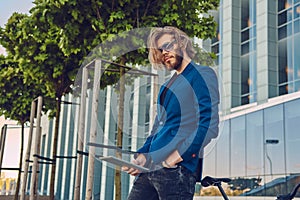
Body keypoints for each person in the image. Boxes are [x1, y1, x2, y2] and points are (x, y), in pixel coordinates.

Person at [122, 26, 220, 200]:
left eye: (167, 46)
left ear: (181, 42)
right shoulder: (166, 87)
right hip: (149, 169)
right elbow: (156, 129)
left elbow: (208, 124)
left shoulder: (202, 74)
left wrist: (179, 156)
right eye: (160, 50)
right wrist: (142, 156)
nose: (164, 53)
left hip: (176, 171)